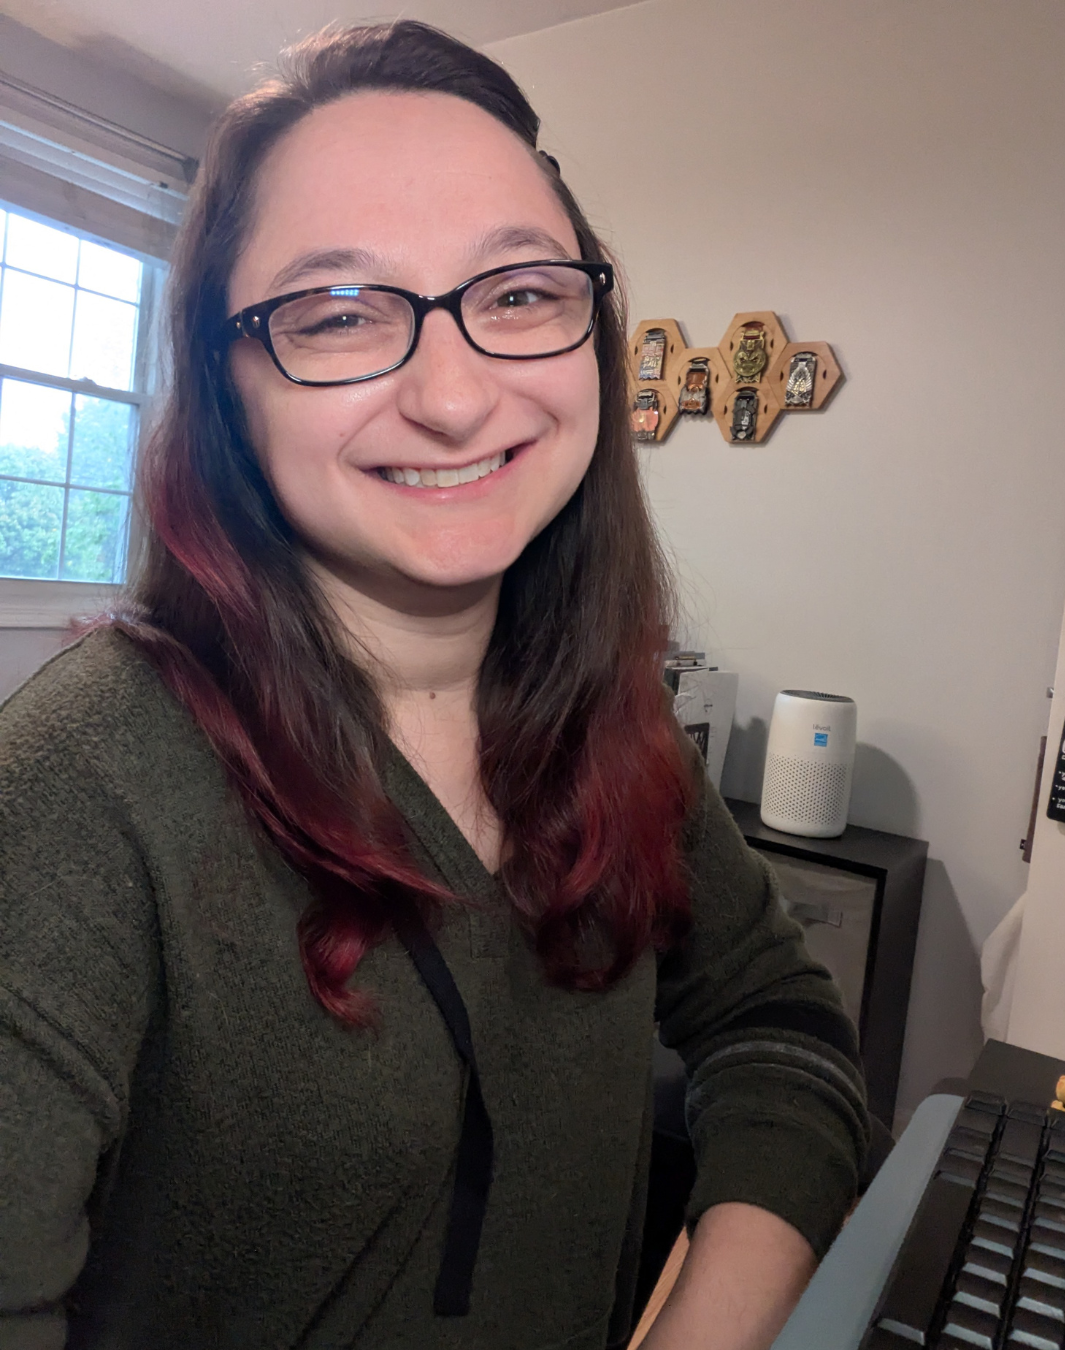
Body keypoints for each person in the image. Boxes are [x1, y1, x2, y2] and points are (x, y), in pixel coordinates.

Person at [0, 21, 868, 1350]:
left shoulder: (611, 722)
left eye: (517, 292)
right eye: (341, 313)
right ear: (228, 387)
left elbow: (782, 1031)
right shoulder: (79, 788)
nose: (456, 397)